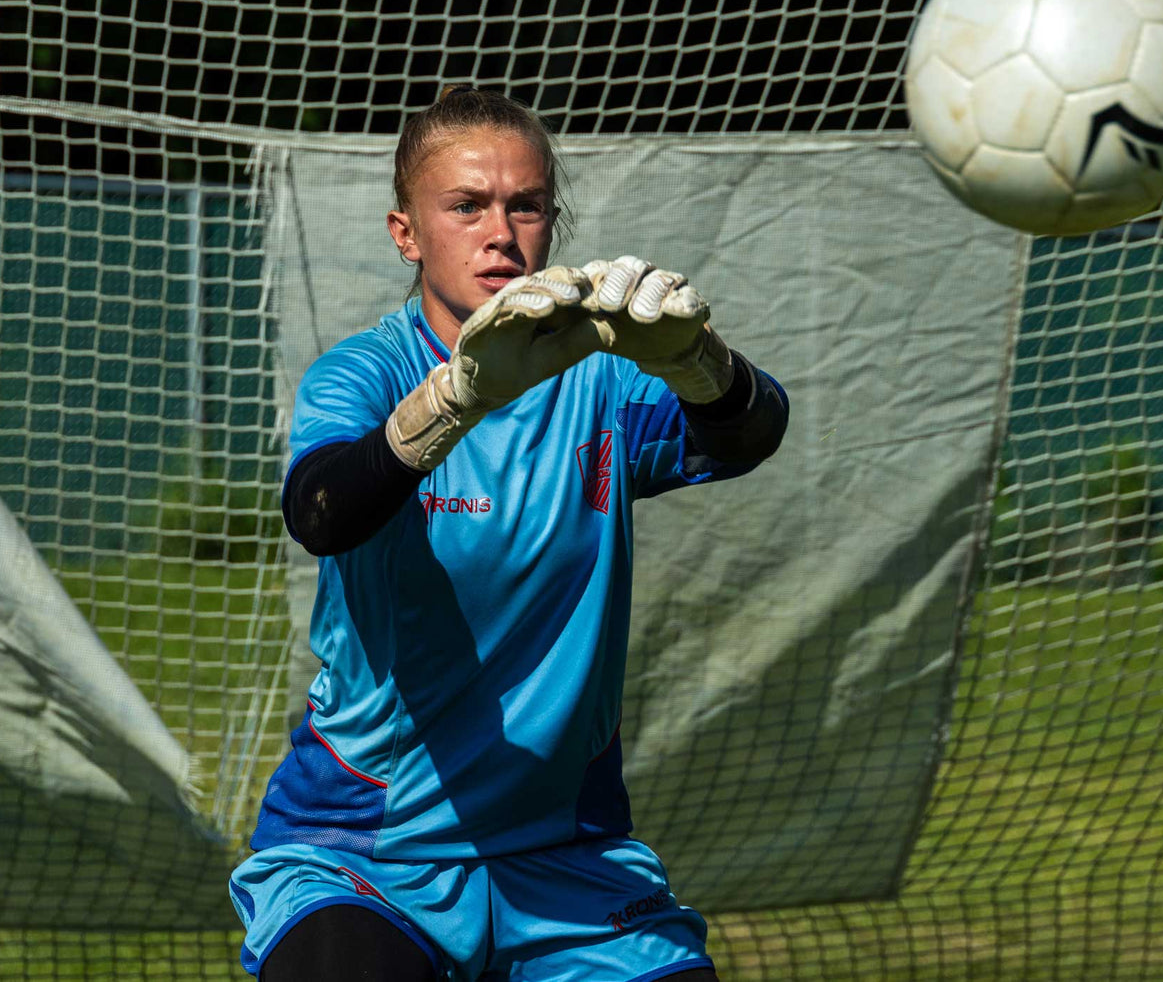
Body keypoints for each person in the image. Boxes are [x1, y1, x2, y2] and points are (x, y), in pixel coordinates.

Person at [230, 85, 789, 982]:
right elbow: (322, 513)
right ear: (405, 233)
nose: (500, 230)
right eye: (466, 206)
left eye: (524, 204)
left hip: (569, 855)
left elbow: (751, 435)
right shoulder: (365, 373)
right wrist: (457, 400)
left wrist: (702, 363)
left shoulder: (600, 380)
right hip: (365, 854)